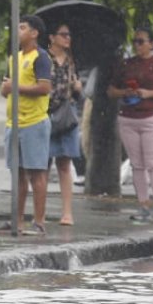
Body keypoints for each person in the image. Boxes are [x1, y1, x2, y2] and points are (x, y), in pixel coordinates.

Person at [108, 26, 153, 223]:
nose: (137, 45)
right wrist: (126, 93)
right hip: (128, 117)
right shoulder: (126, 65)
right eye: (135, 42)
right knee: (136, 165)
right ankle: (143, 204)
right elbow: (112, 90)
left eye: (141, 41)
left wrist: (149, 94)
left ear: (151, 44)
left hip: (151, 117)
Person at [0, 15, 53, 236]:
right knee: (16, 173)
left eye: (23, 28)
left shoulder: (41, 57)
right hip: (13, 123)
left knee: (36, 172)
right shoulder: (14, 57)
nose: (18, 32)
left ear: (34, 33)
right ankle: (16, 221)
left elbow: (44, 87)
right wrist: (8, 88)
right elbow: (6, 87)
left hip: (34, 122)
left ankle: (39, 222)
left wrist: (15, 87)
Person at [46, 23, 83, 226]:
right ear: (52, 37)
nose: (67, 38)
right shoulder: (44, 59)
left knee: (65, 164)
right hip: (46, 114)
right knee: (42, 165)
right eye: (63, 35)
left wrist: (77, 87)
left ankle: (67, 212)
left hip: (67, 117)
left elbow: (76, 95)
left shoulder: (71, 60)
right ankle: (39, 213)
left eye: (69, 35)